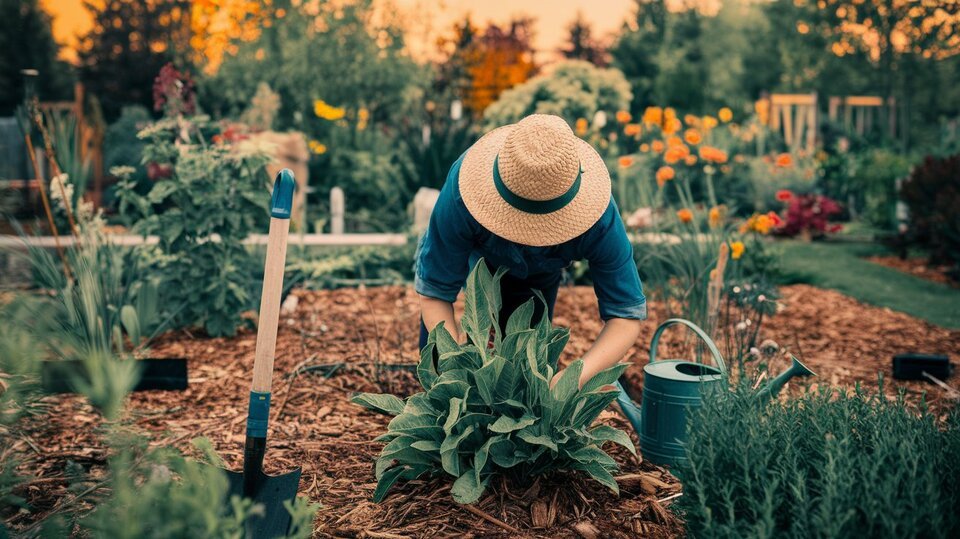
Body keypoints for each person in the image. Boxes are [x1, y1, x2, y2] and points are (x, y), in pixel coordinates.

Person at [415, 114, 646, 387]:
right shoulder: (462, 192)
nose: (529, 237)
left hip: (540, 279)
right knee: (439, 378)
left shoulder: (599, 221)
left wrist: (572, 379)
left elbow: (626, 315)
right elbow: (435, 293)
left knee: (525, 378)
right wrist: (455, 365)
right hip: (477, 266)